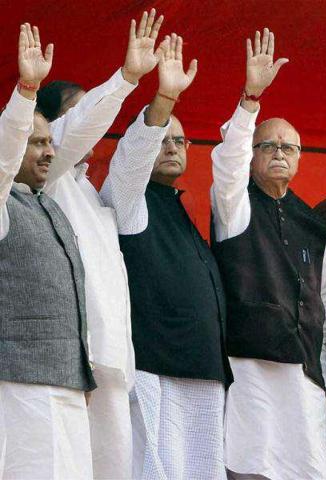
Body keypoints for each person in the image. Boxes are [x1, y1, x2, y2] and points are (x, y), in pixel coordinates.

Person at [35, 10, 164, 478]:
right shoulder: (45, 182)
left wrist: (163, 97)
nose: (89, 120)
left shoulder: (90, 190)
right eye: (76, 110)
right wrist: (127, 78)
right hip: (68, 360)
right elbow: (73, 133)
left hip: (112, 359)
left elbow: (132, 160)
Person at [101, 33, 230, 480]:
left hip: (203, 372)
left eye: (179, 141)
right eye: (162, 139)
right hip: (155, 370)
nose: (171, 147)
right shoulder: (129, 202)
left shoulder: (179, 209)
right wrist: (164, 98)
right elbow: (130, 161)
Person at [211, 28, 326, 479]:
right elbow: (227, 163)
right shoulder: (234, 203)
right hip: (251, 366)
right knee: (254, 469)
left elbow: (321, 301)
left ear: (300, 158)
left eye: (289, 146)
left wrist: (323, 372)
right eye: (269, 145)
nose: (280, 152)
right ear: (254, 154)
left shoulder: (312, 223)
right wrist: (250, 100)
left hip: (304, 373)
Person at [0, 24, 96, 478]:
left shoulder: (50, 207)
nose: (47, 153)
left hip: (69, 383)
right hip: (18, 382)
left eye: (49, 143)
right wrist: (26, 91)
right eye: (36, 143)